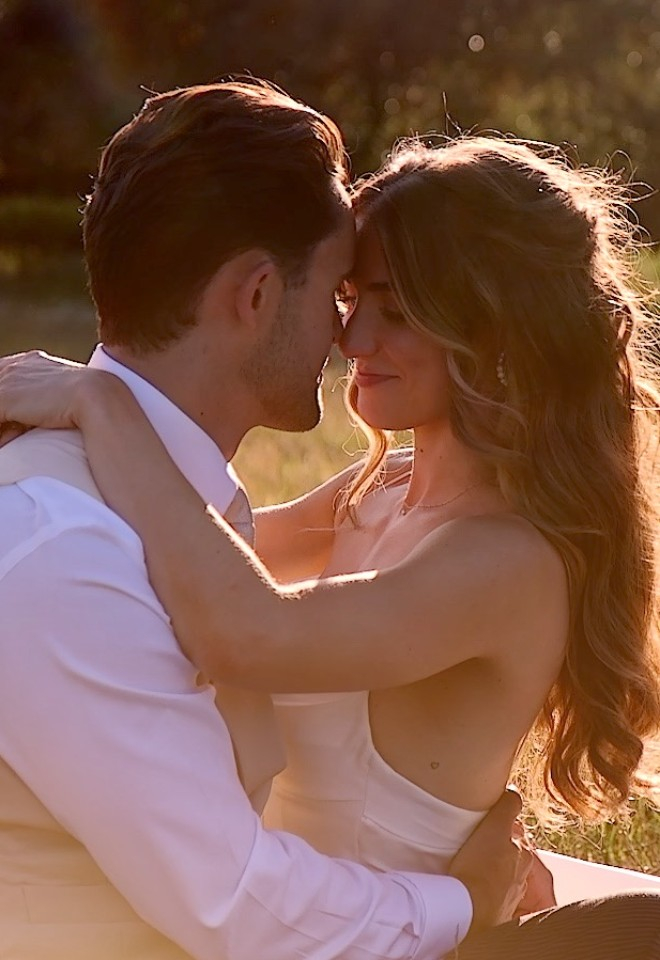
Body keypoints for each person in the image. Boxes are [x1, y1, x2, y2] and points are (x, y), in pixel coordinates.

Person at [2, 128, 660, 959]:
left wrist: (104, 404)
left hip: (401, 939)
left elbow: (248, 631)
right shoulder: (377, 491)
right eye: (349, 301)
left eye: (396, 310)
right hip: (313, 924)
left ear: (498, 331)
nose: (351, 342)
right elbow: (179, 551)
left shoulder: (506, 561)